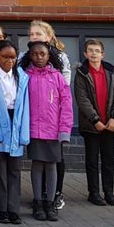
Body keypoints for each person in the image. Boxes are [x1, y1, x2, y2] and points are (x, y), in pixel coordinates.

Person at [22, 19, 72, 210]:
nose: (39, 57)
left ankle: (50, 202)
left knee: (51, 166)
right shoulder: (25, 76)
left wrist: (64, 131)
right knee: (36, 165)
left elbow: (66, 105)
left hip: (53, 131)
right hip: (34, 130)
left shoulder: (57, 77)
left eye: (42, 54)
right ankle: (38, 201)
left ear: (49, 55)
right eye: (34, 54)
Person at [0, 39, 30, 224]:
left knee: (14, 171)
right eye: (5, 57)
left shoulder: (22, 76)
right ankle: (1, 209)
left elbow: (24, 105)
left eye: (13, 57)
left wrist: (23, 132)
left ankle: (14, 209)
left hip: (15, 123)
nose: (9, 61)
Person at [74, 38, 114, 206]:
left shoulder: (112, 73)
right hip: (92, 126)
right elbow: (82, 100)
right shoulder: (81, 74)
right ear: (85, 54)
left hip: (110, 125)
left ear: (103, 54)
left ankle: (109, 192)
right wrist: (95, 120)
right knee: (92, 161)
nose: (93, 53)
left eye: (97, 51)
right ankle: (94, 193)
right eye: (90, 50)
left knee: (109, 160)